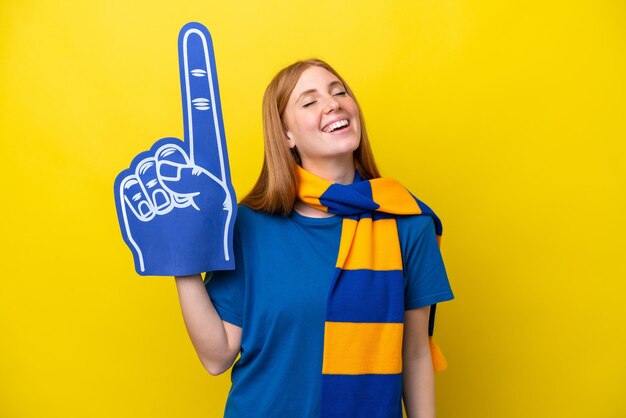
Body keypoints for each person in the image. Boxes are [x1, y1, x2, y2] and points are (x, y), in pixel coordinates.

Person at [174, 59, 454, 418]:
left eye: (339, 92)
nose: (333, 103)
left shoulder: (408, 224)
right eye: (309, 101)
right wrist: (179, 260)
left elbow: (414, 353)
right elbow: (217, 356)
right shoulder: (249, 225)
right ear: (286, 135)